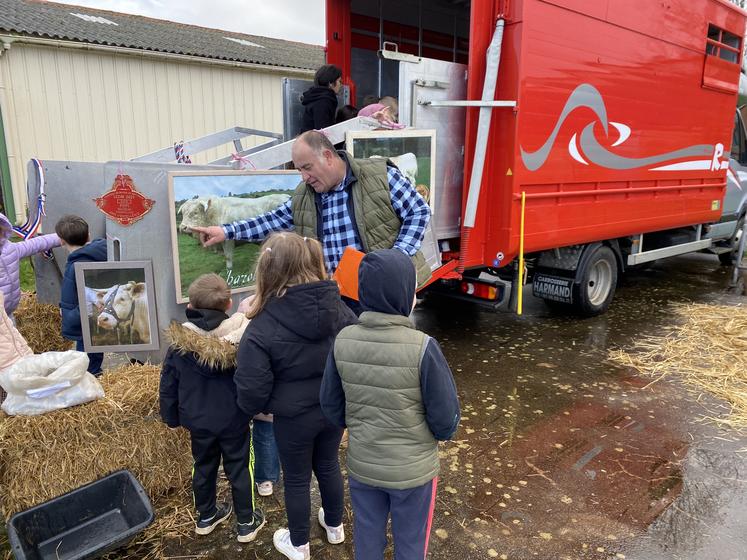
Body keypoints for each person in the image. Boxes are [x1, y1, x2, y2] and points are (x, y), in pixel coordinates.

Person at [320, 248, 460, 560]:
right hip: (413, 474)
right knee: (411, 545)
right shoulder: (424, 348)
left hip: (364, 467)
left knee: (367, 542)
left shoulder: (343, 340)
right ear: (404, 296)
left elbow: (330, 407)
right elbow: (446, 420)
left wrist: (360, 422)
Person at [191, 130, 432, 300]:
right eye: (299, 170)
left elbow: (418, 211)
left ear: (327, 156)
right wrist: (225, 231)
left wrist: (396, 259)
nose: (304, 177)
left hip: (383, 291)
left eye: (307, 167)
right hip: (335, 294)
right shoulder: (304, 194)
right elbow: (271, 221)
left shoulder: (380, 175)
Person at [234, 232, 357, 560]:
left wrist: (259, 409)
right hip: (333, 409)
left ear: (268, 268)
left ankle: (299, 544)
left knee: (298, 478)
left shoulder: (262, 323)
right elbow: (355, 353)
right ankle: (335, 527)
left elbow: (250, 386)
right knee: (329, 464)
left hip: (292, 418)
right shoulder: (340, 308)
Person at [159, 273, 265, 542]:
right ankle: (246, 522)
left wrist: (170, 417)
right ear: (229, 304)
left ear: (191, 306)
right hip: (234, 419)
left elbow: (168, 383)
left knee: (203, 465)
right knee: (240, 468)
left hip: (199, 421)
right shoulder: (242, 337)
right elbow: (255, 376)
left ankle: (206, 516)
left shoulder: (179, 343)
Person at [55, 215, 107, 375]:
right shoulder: (105, 251)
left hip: (84, 319)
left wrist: (69, 316)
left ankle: (91, 377)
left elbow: (75, 298)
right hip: (101, 313)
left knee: (86, 356)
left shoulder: (75, 265)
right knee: (97, 347)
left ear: (61, 241)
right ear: (89, 235)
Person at [0, 212, 60, 322]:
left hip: (8, 313)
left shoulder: (10, 249)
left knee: (13, 337)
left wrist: (61, 237)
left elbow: (35, 244)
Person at [300, 64, 343, 133]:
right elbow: (323, 132)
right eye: (339, 81)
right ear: (330, 83)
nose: (341, 85)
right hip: (313, 142)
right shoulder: (323, 101)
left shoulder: (317, 96)